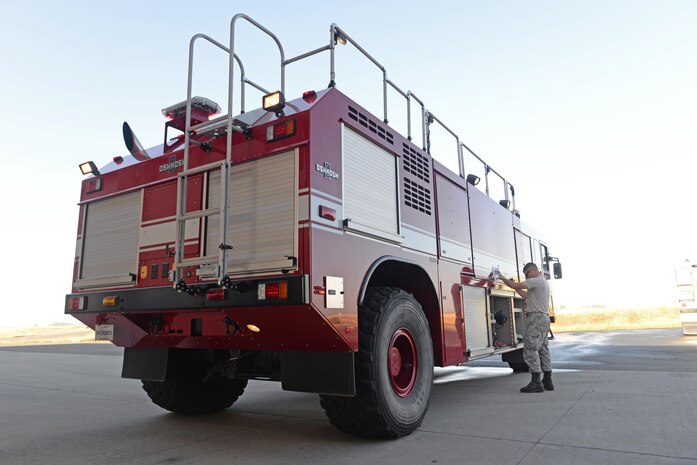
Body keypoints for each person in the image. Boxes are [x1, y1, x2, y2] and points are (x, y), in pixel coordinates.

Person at [498, 262, 554, 393]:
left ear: (532, 270)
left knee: (530, 349)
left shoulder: (537, 280)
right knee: (543, 349)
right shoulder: (541, 282)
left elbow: (513, 285)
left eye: (527, 274)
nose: (526, 277)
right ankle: (547, 380)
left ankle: (536, 382)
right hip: (543, 319)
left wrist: (501, 276)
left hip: (536, 319)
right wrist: (515, 287)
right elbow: (525, 296)